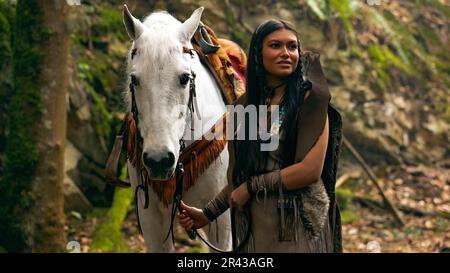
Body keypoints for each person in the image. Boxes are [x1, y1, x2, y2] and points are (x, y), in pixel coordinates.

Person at [178, 19, 343, 253]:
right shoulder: (244, 107)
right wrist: (207, 214)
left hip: (296, 230)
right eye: (276, 45)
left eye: (292, 46)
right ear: (257, 54)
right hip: (251, 231)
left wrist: (252, 186)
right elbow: (241, 176)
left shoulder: (311, 103)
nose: (286, 53)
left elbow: (309, 170)